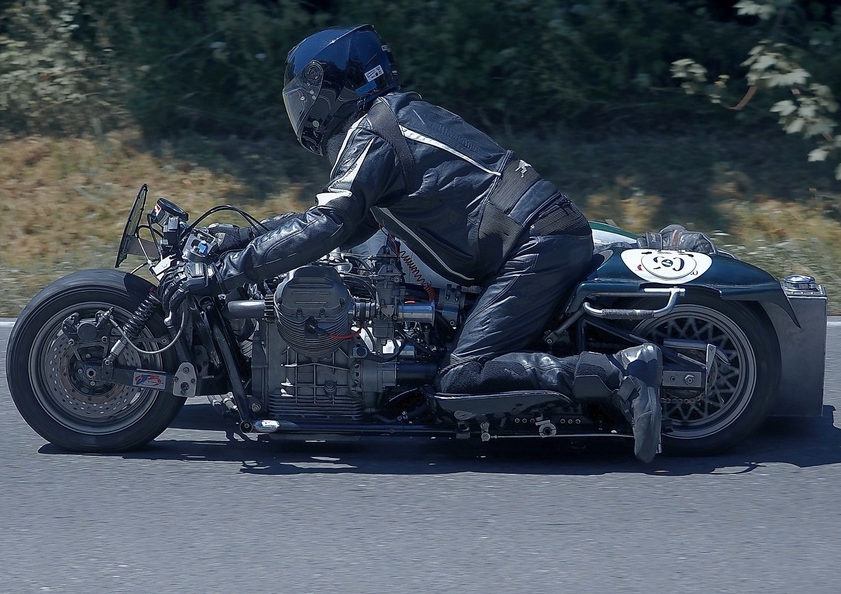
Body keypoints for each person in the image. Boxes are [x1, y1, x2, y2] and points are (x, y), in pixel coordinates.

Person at [166, 24, 663, 462]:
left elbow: (328, 224)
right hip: (530, 238)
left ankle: (620, 373)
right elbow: (348, 226)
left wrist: (223, 273)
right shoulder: (392, 119)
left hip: (534, 243)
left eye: (305, 96)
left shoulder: (375, 133)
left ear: (330, 89)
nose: (303, 110)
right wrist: (248, 237)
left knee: (459, 379)